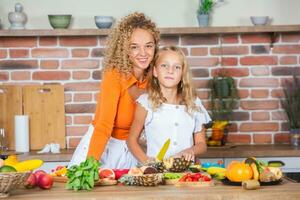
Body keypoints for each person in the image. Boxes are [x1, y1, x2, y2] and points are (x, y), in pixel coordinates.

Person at [68, 12, 160, 169]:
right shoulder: (114, 75)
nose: (143, 53)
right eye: (134, 47)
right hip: (100, 148)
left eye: (148, 46)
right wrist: (90, 166)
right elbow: (103, 126)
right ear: (124, 49)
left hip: (130, 151)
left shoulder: (155, 78)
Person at [127, 46, 211, 164]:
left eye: (177, 67)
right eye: (164, 65)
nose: (170, 71)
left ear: (182, 74)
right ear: (155, 71)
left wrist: (190, 151)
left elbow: (201, 144)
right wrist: (147, 162)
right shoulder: (146, 102)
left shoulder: (193, 103)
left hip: (186, 173)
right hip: (157, 174)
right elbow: (131, 140)